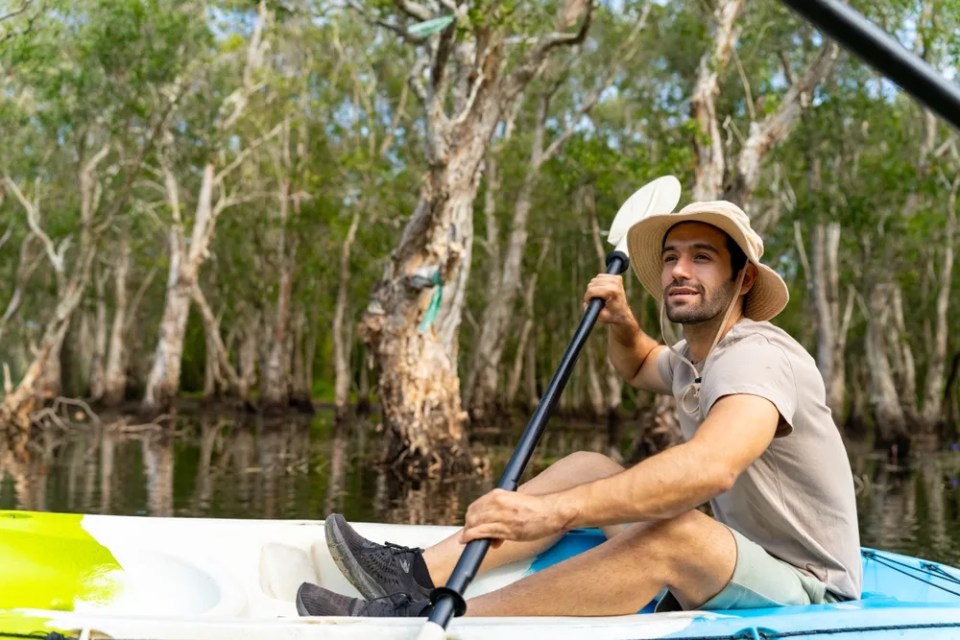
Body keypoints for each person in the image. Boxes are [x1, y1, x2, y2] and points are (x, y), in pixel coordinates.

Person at [296, 200, 862, 618]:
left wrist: (552, 513)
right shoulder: (699, 355)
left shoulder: (757, 358)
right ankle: (415, 574)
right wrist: (622, 321)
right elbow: (642, 365)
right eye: (670, 258)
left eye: (702, 258)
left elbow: (711, 466)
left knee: (678, 533)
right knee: (591, 464)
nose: (678, 271)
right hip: (749, 560)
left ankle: (440, 617)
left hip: (810, 589)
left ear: (742, 279)